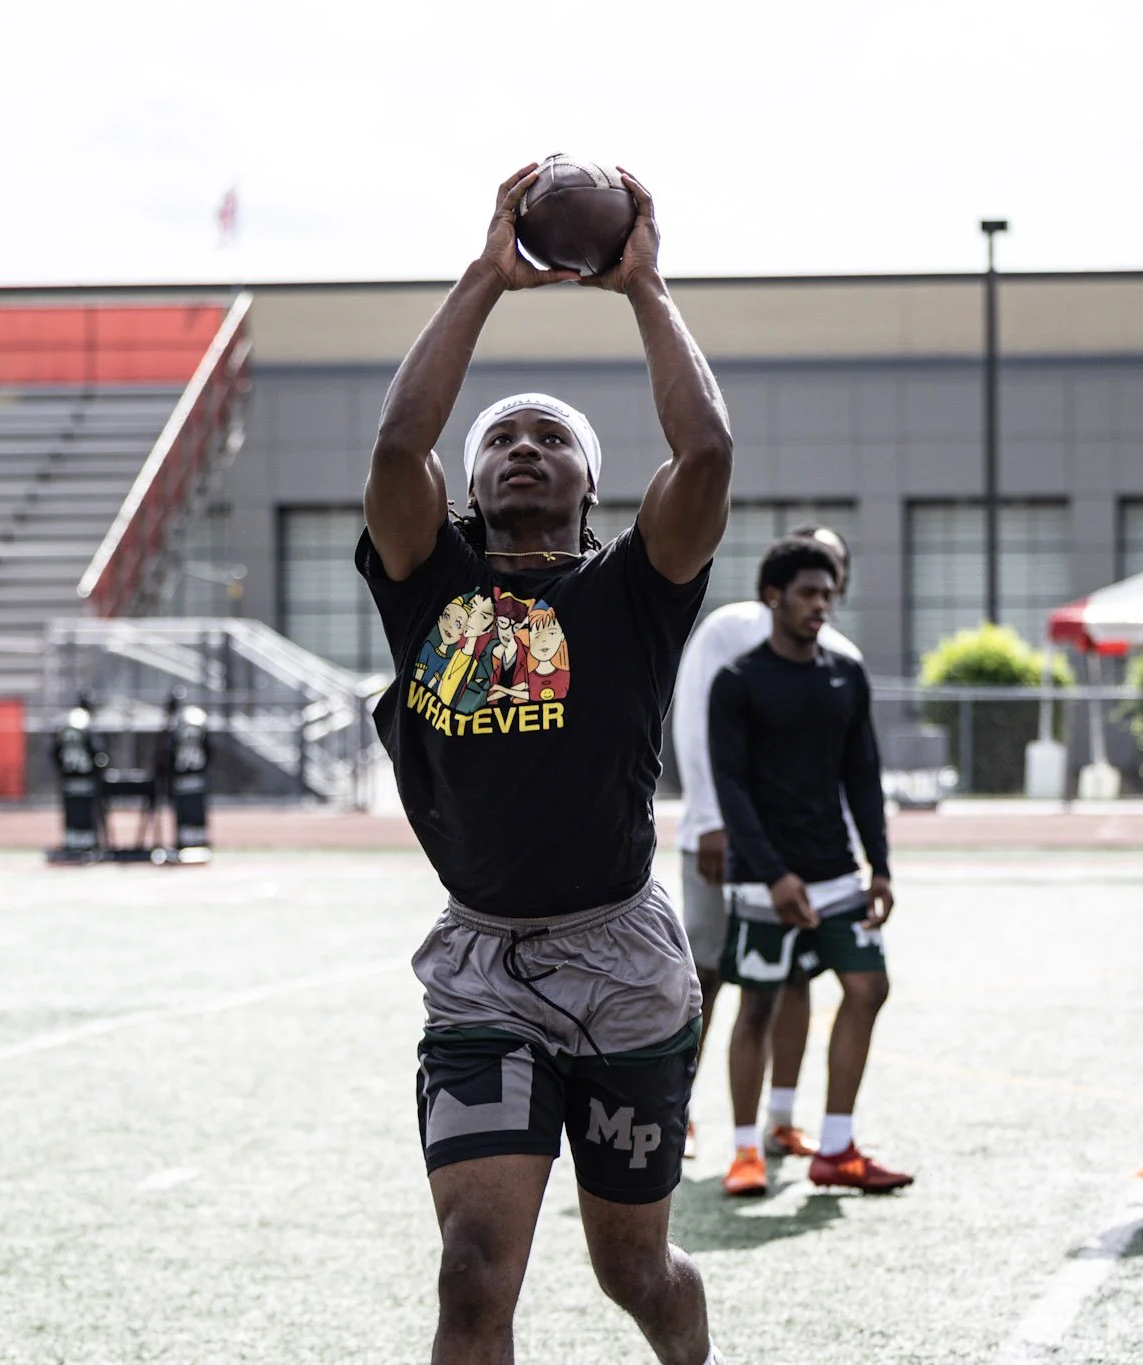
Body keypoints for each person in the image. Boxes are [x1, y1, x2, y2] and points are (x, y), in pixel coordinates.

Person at [359, 163, 734, 1364]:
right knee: (472, 1279)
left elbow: (708, 453)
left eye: (550, 438)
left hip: (620, 963)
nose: (522, 448)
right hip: (479, 972)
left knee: (633, 1267)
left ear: (590, 485)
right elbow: (396, 441)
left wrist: (643, 288)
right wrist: (485, 277)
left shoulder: (632, 588)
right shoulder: (430, 581)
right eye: (501, 439)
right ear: (468, 486)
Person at [708, 537, 912, 1196]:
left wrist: (878, 864)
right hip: (764, 876)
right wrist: (773, 874)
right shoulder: (737, 680)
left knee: (868, 987)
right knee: (759, 1003)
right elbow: (730, 789)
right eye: (808, 593)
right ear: (774, 596)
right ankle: (745, 1150)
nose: (822, 604)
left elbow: (863, 774)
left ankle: (836, 1146)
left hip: (835, 871)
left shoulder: (843, 674)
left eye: (829, 593)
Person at [670, 526, 861, 1161]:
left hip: (798, 860)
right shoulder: (729, 631)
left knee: (792, 981)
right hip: (721, 842)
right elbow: (695, 727)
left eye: (832, 570)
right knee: (708, 978)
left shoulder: (836, 657)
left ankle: (780, 1120)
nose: (822, 582)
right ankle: (678, 1115)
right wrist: (709, 822)